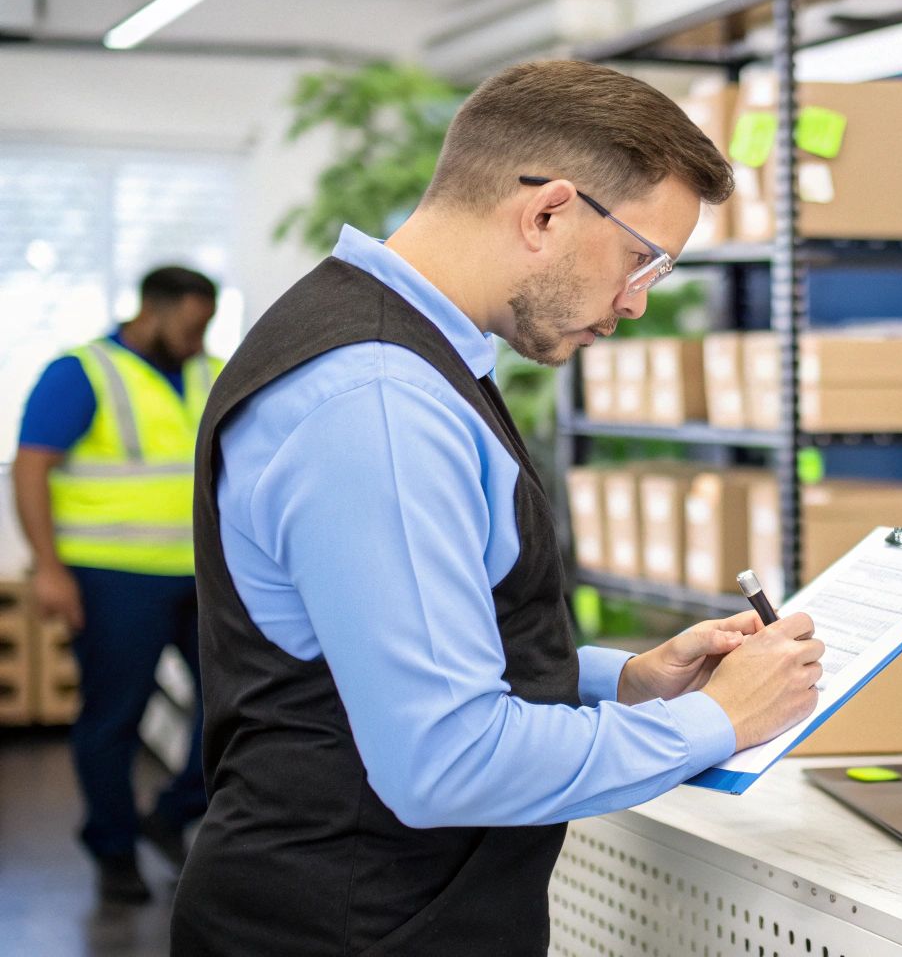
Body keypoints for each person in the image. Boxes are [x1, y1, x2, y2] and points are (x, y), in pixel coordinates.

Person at [169, 60, 824, 955]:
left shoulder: (405, 354)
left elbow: (390, 652)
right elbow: (445, 760)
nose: (637, 302)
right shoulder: (378, 398)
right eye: (643, 259)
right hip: (348, 926)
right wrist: (717, 722)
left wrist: (622, 684)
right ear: (549, 211)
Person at [11, 266, 221, 904]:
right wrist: (48, 568)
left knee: (234, 706)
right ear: (152, 312)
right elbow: (31, 468)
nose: (197, 338)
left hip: (201, 576)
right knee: (114, 719)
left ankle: (172, 812)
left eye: (206, 325)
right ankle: (114, 848)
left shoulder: (209, 370)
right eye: (190, 325)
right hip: (111, 580)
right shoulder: (82, 372)